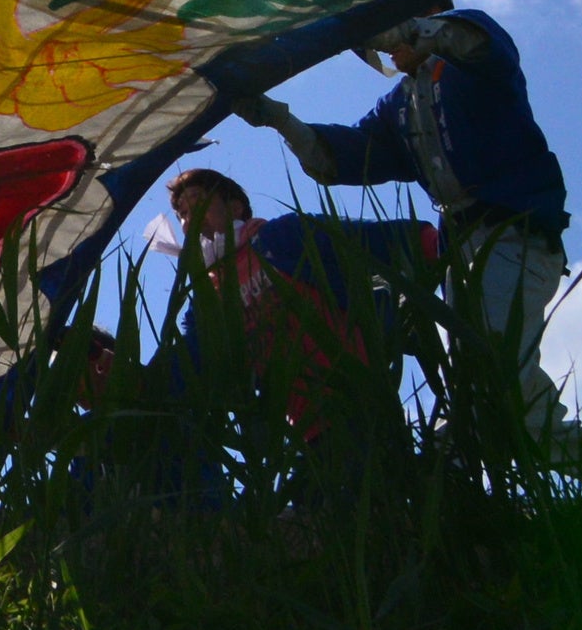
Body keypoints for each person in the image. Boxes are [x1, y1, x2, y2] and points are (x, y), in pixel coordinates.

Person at [226, 8, 576, 438]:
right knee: (482, 400)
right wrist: (281, 120)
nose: (387, 52)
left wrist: (410, 27)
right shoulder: (401, 105)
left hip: (513, 236)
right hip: (464, 254)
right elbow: (349, 156)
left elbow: (476, 42)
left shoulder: (474, 64)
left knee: (508, 398)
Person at [164, 167, 441, 446]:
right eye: (183, 215)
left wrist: (437, 245)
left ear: (235, 207)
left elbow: (362, 239)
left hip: (360, 398)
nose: (190, 221)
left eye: (198, 202)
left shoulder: (278, 237)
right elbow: (188, 364)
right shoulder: (207, 297)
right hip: (307, 433)